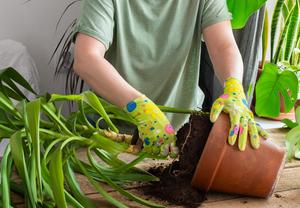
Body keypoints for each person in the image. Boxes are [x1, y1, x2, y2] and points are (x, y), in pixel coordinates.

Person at [73, 0, 267, 157]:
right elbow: (87, 58)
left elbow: (224, 45)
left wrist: (234, 86)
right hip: (110, 137)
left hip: (180, 137)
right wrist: (140, 108)